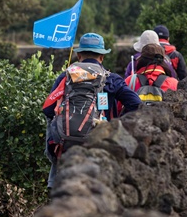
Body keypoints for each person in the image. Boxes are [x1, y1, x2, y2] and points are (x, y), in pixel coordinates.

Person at [42, 33, 142, 189]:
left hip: (66, 143)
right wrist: (116, 123)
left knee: (54, 130)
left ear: (79, 55)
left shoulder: (66, 76)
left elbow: (48, 109)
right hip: (98, 141)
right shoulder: (111, 79)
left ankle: (54, 182)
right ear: (101, 57)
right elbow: (136, 104)